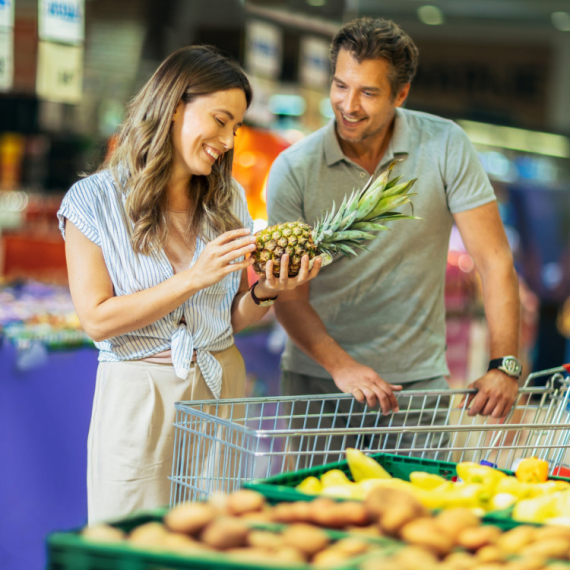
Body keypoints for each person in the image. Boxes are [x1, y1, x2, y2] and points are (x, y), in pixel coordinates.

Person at [57, 45, 320, 523]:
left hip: (221, 389)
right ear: (175, 105)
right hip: (141, 398)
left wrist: (266, 290)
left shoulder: (229, 200)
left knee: (212, 538)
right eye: (220, 120)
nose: (227, 139)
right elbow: (97, 320)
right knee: (131, 541)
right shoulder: (93, 202)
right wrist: (193, 277)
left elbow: (227, 320)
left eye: (235, 127)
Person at [267, 18, 521, 464]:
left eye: (368, 92)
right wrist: (342, 367)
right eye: (341, 86)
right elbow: (288, 296)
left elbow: (495, 260)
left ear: (400, 94)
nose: (348, 105)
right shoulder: (294, 170)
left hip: (417, 388)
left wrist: (505, 365)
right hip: (319, 387)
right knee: (322, 521)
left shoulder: (444, 145)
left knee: (416, 517)